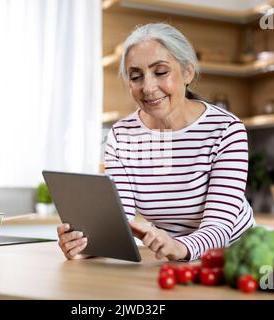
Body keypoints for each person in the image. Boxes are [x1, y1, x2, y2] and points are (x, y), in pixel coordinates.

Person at [57, 23, 254, 261]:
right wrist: (87, 244)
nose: (148, 88)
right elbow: (121, 221)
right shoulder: (122, 136)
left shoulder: (226, 129)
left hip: (235, 257)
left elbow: (220, 226)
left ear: (188, 73)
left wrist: (179, 247)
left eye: (161, 72)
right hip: (172, 258)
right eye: (136, 76)